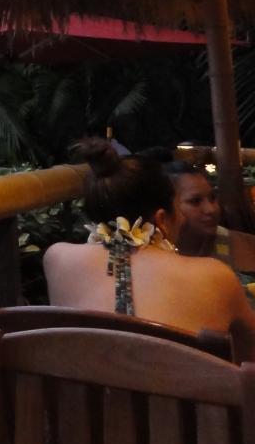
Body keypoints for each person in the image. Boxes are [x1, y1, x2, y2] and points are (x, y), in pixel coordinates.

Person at [44, 139, 255, 345]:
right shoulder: (215, 275)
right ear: (162, 219)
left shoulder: (56, 258)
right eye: (180, 209)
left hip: (85, 368)